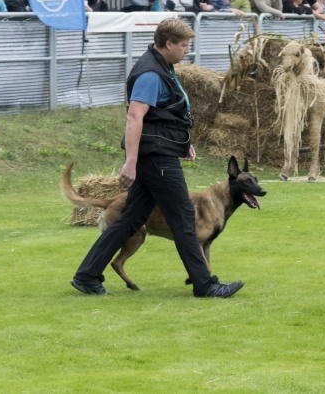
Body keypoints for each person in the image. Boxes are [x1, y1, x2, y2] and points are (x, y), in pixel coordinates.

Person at [70, 18, 244, 298]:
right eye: (184, 45)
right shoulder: (150, 74)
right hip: (156, 159)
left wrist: (182, 143)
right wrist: (130, 161)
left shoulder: (161, 67)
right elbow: (134, 117)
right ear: (168, 43)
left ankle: (87, 275)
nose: (187, 50)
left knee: (131, 217)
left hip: (159, 152)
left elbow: (163, 115)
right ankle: (205, 284)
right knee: (184, 216)